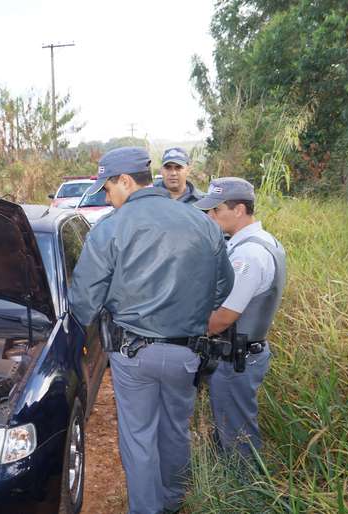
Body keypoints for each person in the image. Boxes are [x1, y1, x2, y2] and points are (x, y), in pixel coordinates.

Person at [68, 147, 234, 514]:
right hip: (186, 353)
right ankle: (174, 501)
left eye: (107, 189)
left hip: (133, 355)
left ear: (125, 181)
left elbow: (83, 301)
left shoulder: (111, 227)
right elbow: (224, 287)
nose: (107, 198)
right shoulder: (203, 222)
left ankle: (146, 509)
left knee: (139, 437)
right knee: (175, 429)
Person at [194, 177, 287, 458]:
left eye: (216, 210)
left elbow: (223, 318)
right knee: (232, 428)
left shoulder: (248, 254)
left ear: (239, 210)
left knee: (237, 437)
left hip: (237, 359)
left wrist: (185, 329)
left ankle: (244, 491)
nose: (210, 216)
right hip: (241, 354)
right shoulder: (262, 242)